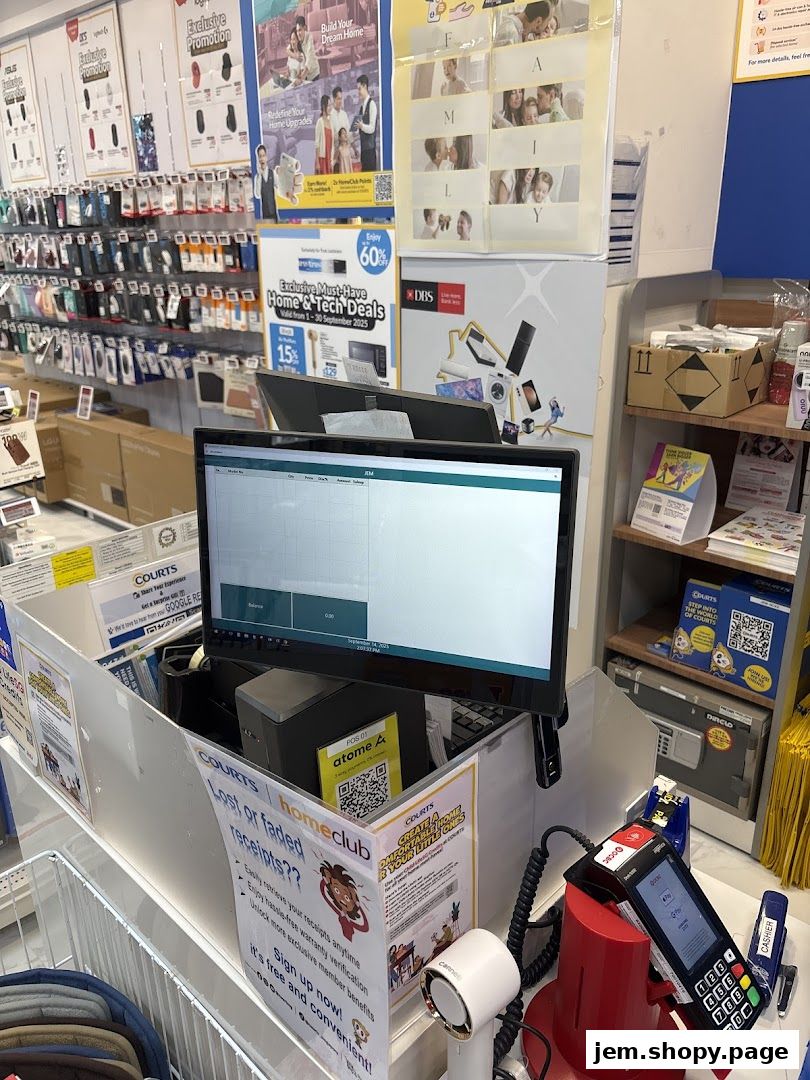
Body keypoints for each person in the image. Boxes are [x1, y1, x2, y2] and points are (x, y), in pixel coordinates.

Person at [355, 74, 378, 171]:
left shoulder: (372, 105)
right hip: (363, 151)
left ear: (365, 86)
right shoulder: (361, 107)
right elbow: (357, 129)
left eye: (359, 88)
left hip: (370, 151)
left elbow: (371, 128)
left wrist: (361, 126)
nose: (358, 92)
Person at [253, 144, 277, 219]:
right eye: (260, 156)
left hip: (274, 212)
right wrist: (260, 175)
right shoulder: (257, 177)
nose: (262, 158)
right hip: (265, 214)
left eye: (263, 155)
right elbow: (257, 194)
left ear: (266, 157)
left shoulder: (273, 173)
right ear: (258, 159)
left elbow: (279, 186)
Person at [295, 15, 320, 82]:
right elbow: (300, 60)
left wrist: (301, 78)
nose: (298, 33)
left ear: (305, 28)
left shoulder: (309, 37)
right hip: (305, 76)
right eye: (297, 31)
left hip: (314, 74)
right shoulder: (298, 40)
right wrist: (298, 74)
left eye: (300, 30)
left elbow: (309, 57)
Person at [330, 86, 350, 163]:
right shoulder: (330, 116)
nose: (340, 101)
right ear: (333, 99)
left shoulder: (344, 114)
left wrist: (354, 149)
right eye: (338, 99)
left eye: (341, 98)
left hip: (345, 152)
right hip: (335, 155)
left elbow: (348, 132)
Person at [314, 95, 333, 174]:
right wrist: (317, 162)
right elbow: (317, 144)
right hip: (322, 159)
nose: (330, 107)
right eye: (328, 105)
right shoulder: (320, 122)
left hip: (329, 158)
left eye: (331, 105)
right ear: (323, 106)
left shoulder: (330, 121)